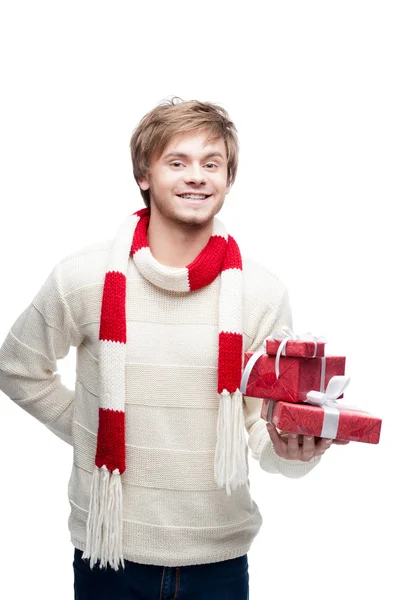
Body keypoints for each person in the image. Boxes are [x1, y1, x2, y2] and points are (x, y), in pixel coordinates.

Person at [0, 97, 344, 600]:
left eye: (212, 164)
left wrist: (295, 452)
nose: (196, 176)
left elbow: (259, 425)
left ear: (229, 179)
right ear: (145, 174)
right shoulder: (83, 278)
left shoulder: (261, 294)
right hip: (109, 553)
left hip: (219, 560)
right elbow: (17, 368)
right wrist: (89, 429)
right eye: (177, 162)